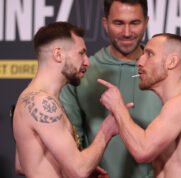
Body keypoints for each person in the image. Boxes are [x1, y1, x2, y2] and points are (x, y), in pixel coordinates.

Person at [60, 0, 162, 177]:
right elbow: (70, 146)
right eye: (118, 23)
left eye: (135, 23)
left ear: (146, 22)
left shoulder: (164, 72)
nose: (127, 32)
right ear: (105, 24)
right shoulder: (81, 72)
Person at [13, 22, 118, 178]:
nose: (87, 62)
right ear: (58, 54)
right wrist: (106, 131)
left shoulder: (37, 98)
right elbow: (79, 170)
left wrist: (66, 169)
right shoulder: (41, 103)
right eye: (81, 53)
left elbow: (21, 165)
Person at [98, 33, 181, 178]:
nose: (140, 62)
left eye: (149, 54)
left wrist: (117, 107)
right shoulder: (174, 107)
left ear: (172, 62)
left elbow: (142, 150)